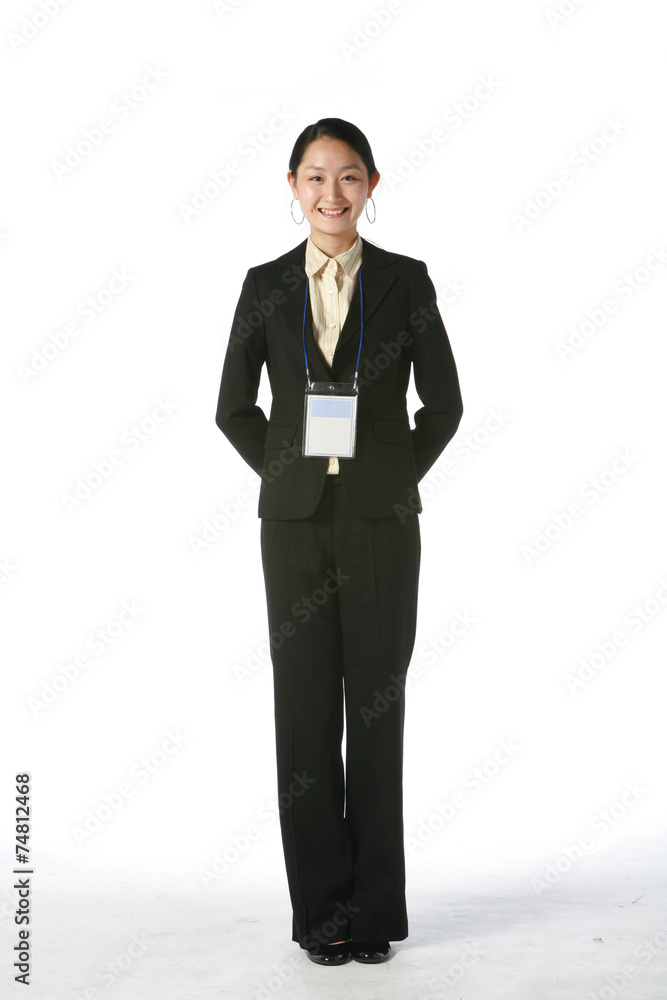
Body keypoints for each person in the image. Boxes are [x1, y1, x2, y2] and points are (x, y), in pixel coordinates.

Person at [215, 117, 463, 966]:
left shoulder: (404, 280)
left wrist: (389, 475)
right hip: (292, 528)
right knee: (305, 715)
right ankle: (322, 913)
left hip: (380, 526)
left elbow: (444, 405)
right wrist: (288, 471)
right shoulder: (263, 285)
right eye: (315, 176)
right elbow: (233, 408)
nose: (332, 192)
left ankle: (374, 912)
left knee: (376, 712)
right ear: (292, 187)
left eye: (348, 176)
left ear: (371, 185)